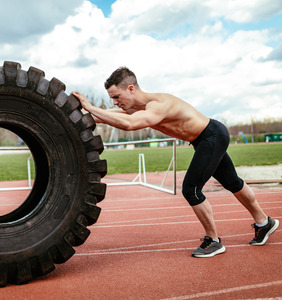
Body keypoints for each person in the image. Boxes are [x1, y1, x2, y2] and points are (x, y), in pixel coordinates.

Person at [72, 67, 279, 258]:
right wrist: (74, 111)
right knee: (232, 182)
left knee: (191, 189)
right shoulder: (139, 107)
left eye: (116, 96)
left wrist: (90, 106)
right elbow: (110, 116)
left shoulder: (158, 104)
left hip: (211, 136)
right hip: (206, 138)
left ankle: (214, 240)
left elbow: (129, 124)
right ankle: (264, 222)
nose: (115, 102)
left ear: (131, 88)